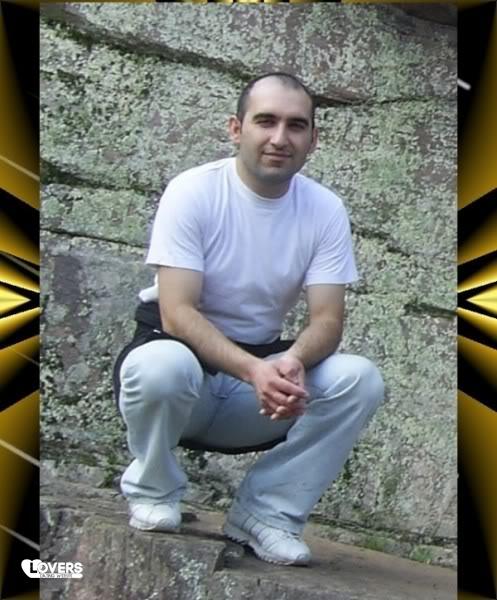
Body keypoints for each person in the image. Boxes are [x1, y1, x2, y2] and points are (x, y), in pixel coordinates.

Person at [115, 72, 384, 566]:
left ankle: (266, 514)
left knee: (359, 380)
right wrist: (254, 370)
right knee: (161, 366)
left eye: (296, 126)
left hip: (256, 393)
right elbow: (176, 313)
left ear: (313, 139)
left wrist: (292, 361)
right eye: (266, 121)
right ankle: (153, 489)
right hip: (181, 382)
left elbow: (327, 320)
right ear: (236, 129)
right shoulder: (193, 191)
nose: (280, 138)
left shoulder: (325, 209)